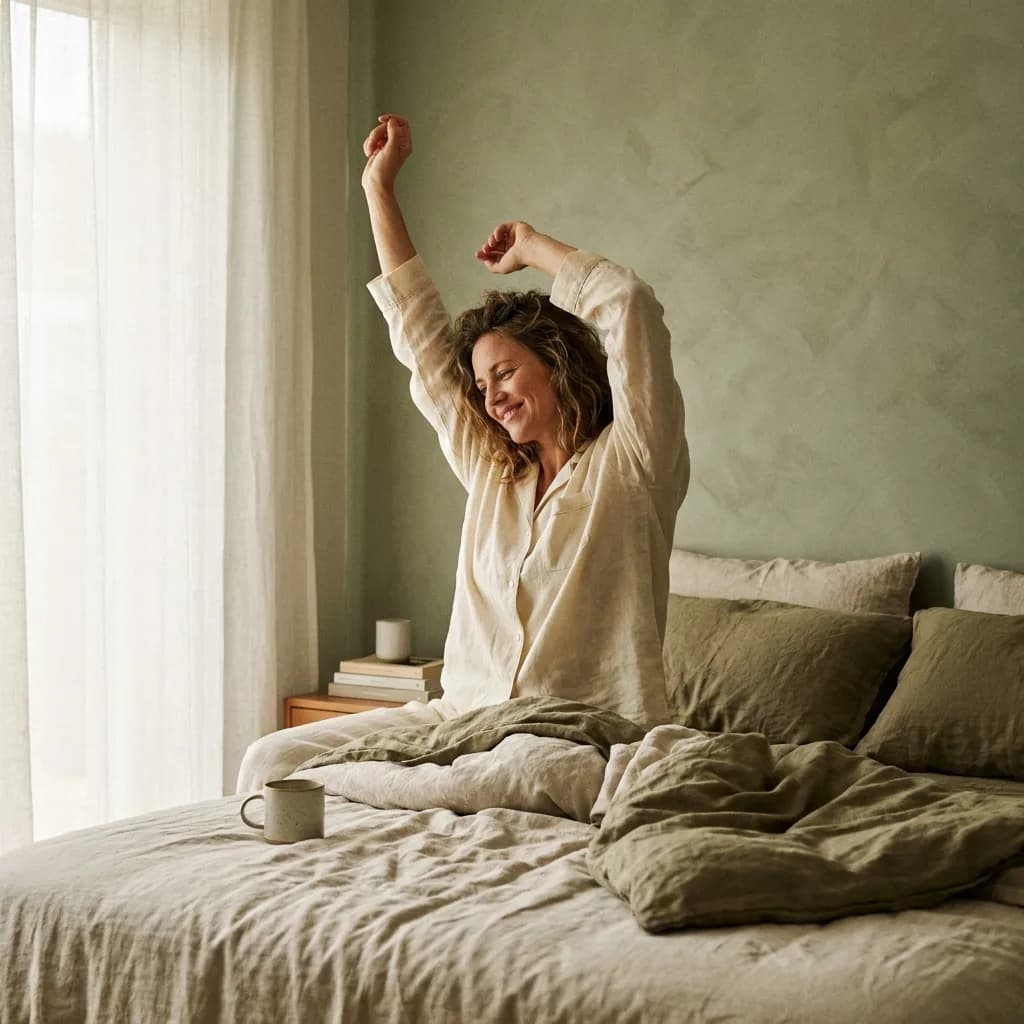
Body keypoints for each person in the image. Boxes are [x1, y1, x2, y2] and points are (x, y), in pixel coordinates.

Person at [236, 114, 688, 792]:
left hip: (578, 736)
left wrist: (535, 247)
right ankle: (387, 792)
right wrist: (377, 187)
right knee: (271, 761)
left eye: (504, 374)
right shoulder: (493, 473)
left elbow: (627, 303)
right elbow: (417, 334)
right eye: (480, 386)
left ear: (557, 363)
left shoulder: (633, 464)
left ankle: (386, 793)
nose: (491, 397)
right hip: (460, 719)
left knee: (502, 775)